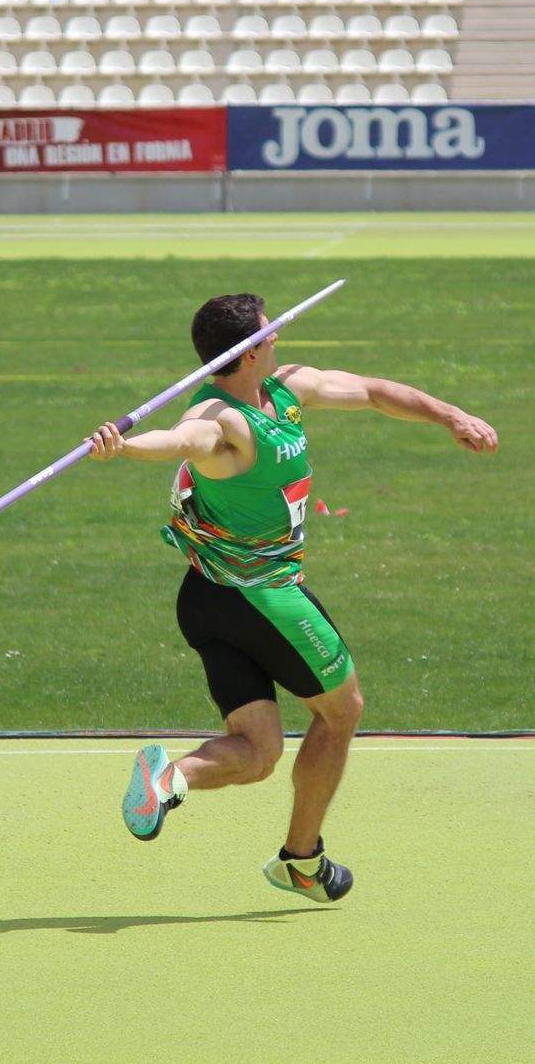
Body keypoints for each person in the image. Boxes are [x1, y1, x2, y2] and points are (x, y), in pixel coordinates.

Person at [87, 292, 498, 903]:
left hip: (205, 599)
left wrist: (449, 415)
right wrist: (124, 446)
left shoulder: (287, 387)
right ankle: (301, 861)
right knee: (343, 709)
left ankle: (169, 778)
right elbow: (182, 440)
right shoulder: (223, 421)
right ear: (248, 350)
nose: (278, 336)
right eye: (269, 330)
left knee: (257, 754)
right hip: (263, 598)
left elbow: (373, 390)